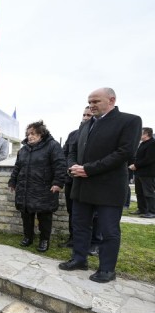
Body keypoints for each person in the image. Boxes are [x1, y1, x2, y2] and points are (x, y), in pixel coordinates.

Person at [59, 87, 142, 283]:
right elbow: (72, 150)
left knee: (108, 230)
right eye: (89, 102)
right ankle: (79, 259)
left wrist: (88, 169)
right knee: (79, 225)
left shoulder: (129, 121)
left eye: (96, 101)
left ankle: (106, 269)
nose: (91, 105)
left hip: (108, 188)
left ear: (111, 100)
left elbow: (124, 153)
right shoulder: (86, 125)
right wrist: (72, 166)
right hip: (82, 186)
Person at [8, 121, 66, 252]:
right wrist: (12, 182)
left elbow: (60, 165)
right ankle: (28, 237)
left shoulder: (52, 146)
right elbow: (17, 167)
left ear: (41, 134)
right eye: (28, 134)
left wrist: (58, 183)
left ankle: (44, 240)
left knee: (44, 216)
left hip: (44, 188)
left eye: (33, 134)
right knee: (26, 215)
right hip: (25, 188)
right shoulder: (23, 150)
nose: (30, 136)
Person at [60, 107, 103, 255]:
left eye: (89, 115)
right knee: (73, 211)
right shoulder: (73, 135)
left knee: (95, 214)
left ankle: (96, 242)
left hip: (92, 180)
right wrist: (71, 168)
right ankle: (74, 238)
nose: (85, 117)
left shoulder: (100, 133)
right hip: (73, 180)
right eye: (84, 114)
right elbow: (65, 154)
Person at [129, 127, 155, 218]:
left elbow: (149, 159)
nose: (139, 135)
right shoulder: (143, 143)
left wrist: (136, 165)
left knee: (148, 192)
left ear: (147, 134)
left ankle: (152, 211)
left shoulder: (152, 143)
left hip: (148, 173)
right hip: (139, 172)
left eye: (141, 133)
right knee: (139, 192)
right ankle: (142, 209)